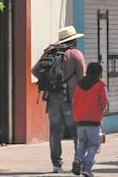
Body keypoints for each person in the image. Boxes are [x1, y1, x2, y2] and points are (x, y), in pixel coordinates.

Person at [33, 25, 87, 174]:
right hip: (71, 99)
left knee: (55, 132)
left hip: (52, 98)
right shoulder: (75, 54)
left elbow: (35, 70)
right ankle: (79, 161)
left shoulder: (50, 52)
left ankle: (56, 164)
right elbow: (83, 77)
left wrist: (51, 83)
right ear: (73, 40)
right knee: (76, 132)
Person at [71, 62, 108, 177]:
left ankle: (77, 160)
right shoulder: (100, 85)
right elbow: (104, 102)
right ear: (99, 73)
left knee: (81, 143)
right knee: (93, 145)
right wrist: (100, 113)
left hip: (80, 120)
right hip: (93, 120)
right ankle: (87, 167)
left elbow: (74, 102)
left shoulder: (78, 85)